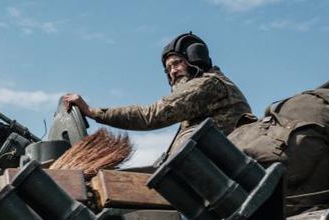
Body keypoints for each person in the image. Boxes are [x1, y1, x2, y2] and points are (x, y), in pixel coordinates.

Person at [62, 32, 252, 162]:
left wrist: (93, 112)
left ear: (195, 59)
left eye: (177, 63)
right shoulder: (204, 92)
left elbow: (151, 115)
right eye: (168, 68)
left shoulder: (208, 84)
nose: (173, 71)